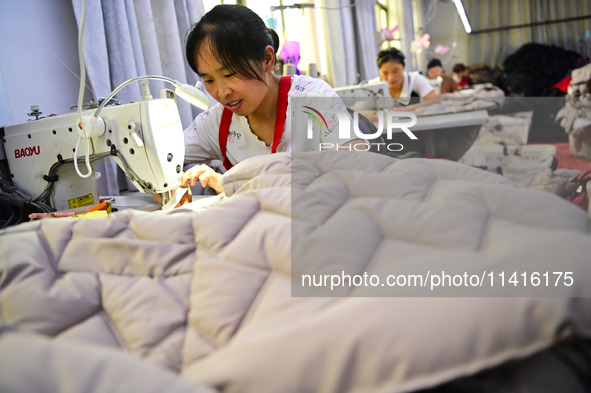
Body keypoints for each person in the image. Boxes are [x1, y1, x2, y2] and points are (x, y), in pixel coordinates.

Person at [181, 5, 361, 197]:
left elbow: (357, 172)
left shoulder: (312, 97)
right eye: (209, 80)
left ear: (267, 59)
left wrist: (229, 184)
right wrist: (170, 182)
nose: (221, 92)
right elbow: (156, 158)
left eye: (230, 74)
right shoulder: (217, 121)